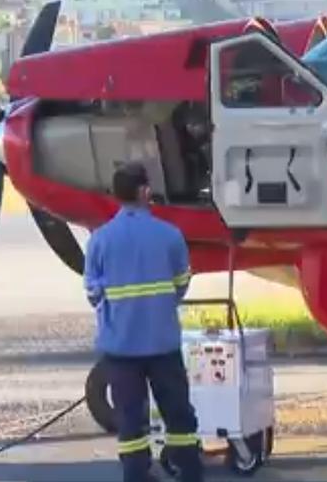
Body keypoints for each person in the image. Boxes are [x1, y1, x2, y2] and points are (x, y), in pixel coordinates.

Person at [84, 162, 203, 482]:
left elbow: (93, 292)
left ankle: (137, 475)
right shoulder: (170, 236)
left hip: (121, 350)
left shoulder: (100, 240)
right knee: (179, 417)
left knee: (130, 422)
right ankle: (189, 472)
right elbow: (181, 283)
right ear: (145, 191)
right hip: (162, 344)